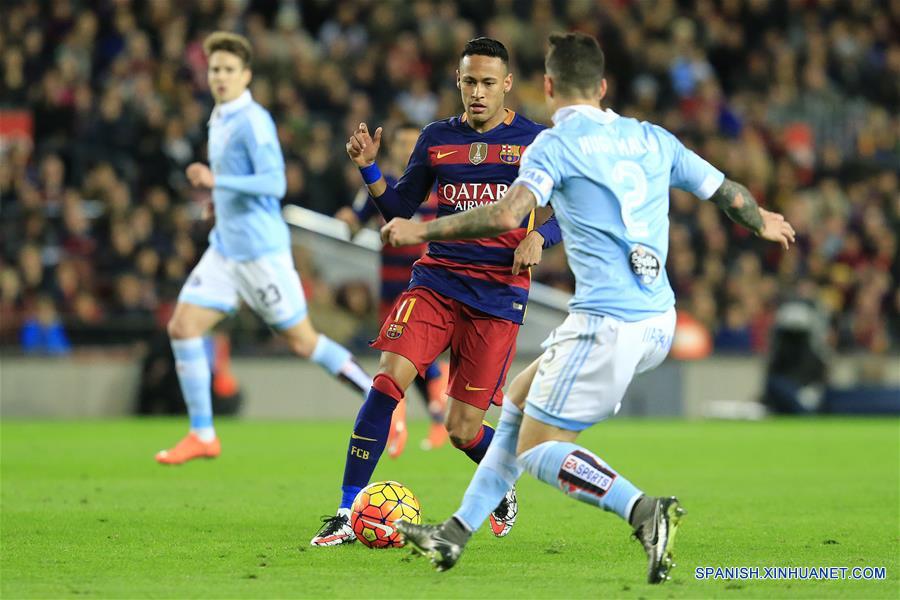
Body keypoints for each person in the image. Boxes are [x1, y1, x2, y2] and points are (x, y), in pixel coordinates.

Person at [387, 32, 795, 583]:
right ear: (602, 88)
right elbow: (727, 193)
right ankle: (454, 532)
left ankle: (644, 511)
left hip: (608, 324)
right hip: (659, 319)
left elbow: (509, 215)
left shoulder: (552, 145)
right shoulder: (653, 138)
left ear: (548, 86)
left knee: (536, 451)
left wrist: (423, 229)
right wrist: (761, 220)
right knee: (516, 403)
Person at [310, 38, 563, 546]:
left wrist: (541, 234)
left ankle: (502, 478)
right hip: (437, 279)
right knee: (386, 383)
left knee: (463, 429)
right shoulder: (435, 138)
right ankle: (344, 509)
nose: (477, 92)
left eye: (488, 83)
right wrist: (370, 169)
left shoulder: (537, 141)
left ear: (507, 85)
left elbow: (570, 207)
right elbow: (400, 210)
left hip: (497, 293)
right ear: (458, 81)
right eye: (469, 81)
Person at [156, 32, 372, 465]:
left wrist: (219, 182)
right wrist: (217, 205)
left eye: (228, 70)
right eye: (214, 68)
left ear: (246, 75)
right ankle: (202, 433)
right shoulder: (219, 116)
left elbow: (275, 184)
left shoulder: (254, 121)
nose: (219, 76)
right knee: (182, 327)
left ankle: (380, 398)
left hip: (261, 254)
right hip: (226, 250)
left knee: (303, 342)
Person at [335, 123, 449, 456]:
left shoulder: (442, 185)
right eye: (401, 143)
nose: (407, 149)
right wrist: (347, 222)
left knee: (412, 361)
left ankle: (418, 424)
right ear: (393, 147)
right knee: (398, 363)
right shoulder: (381, 185)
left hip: (431, 287)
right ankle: (424, 420)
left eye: (414, 144)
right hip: (392, 291)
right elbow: (355, 223)